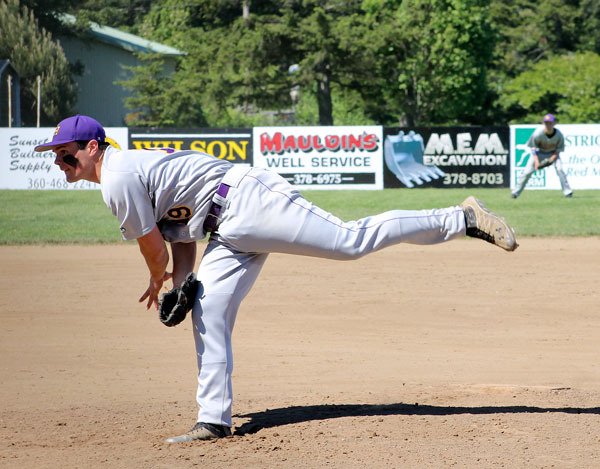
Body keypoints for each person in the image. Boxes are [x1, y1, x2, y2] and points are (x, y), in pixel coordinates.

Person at [35, 115, 518, 443]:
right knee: (209, 310)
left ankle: (461, 217)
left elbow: (153, 248)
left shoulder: (117, 176)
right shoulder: (124, 171)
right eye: (56, 155)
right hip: (224, 231)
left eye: (65, 152)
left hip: (248, 201)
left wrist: (160, 278)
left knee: (349, 242)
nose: (60, 161)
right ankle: (214, 420)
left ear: (92, 146)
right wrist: (182, 282)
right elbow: (180, 237)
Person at [512, 113, 573, 198]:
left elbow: (558, 150)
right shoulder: (538, 133)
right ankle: (515, 193)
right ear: (543, 123)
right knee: (526, 172)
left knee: (560, 170)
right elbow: (533, 148)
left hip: (552, 154)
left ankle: (568, 192)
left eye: (550, 123)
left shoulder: (559, 135)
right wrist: (536, 162)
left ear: (554, 123)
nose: (548, 124)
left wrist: (551, 160)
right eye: (546, 122)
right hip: (539, 153)